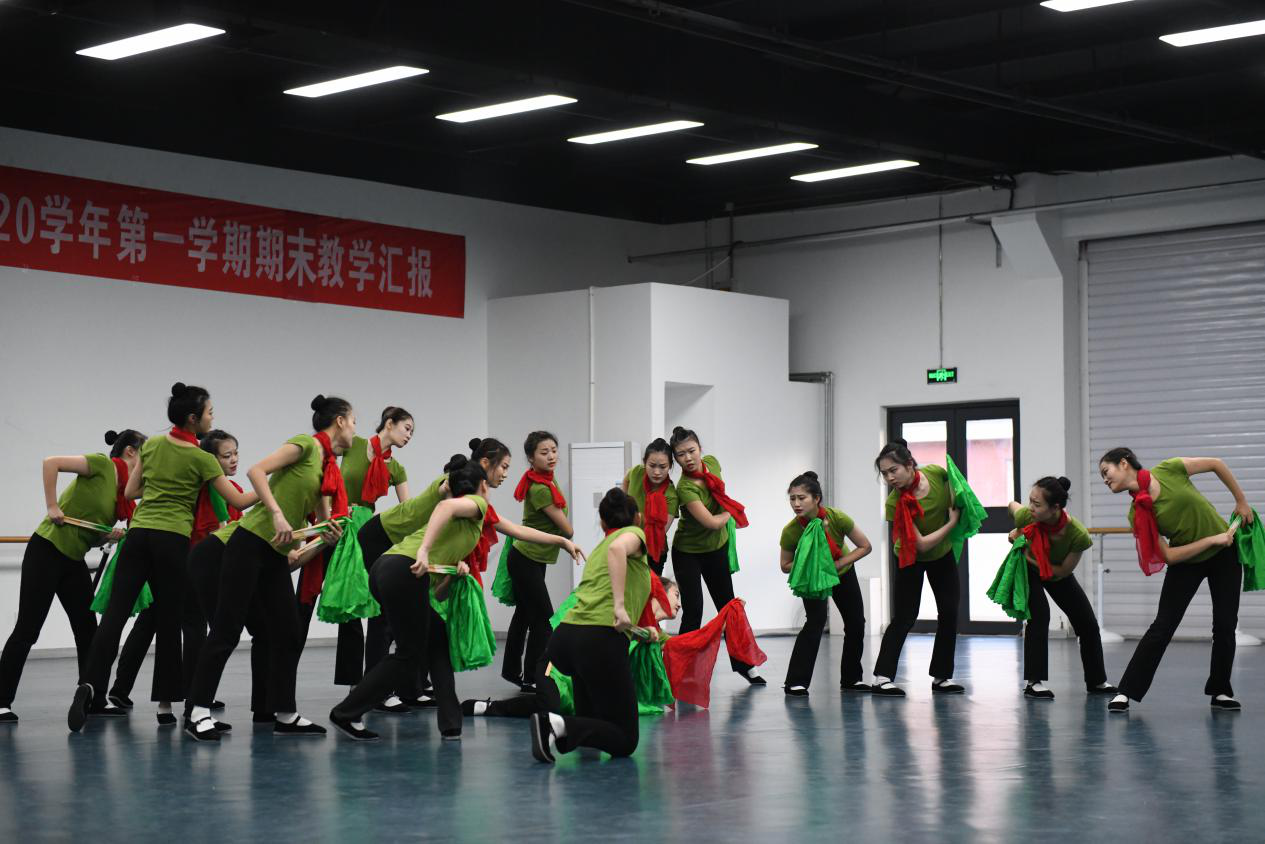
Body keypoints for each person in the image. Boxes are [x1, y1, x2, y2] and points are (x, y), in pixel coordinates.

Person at [69, 384, 254, 732]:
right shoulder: (201, 457)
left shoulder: (152, 444)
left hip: (138, 536)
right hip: (172, 540)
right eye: (210, 412)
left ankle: (90, 683)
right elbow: (239, 501)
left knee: (115, 616)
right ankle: (167, 706)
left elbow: (131, 491)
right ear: (193, 418)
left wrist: (159, 486)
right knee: (170, 623)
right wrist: (271, 488)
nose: (213, 417)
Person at [184, 395, 353, 741]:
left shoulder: (327, 468)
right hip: (249, 542)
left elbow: (322, 523)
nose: (354, 429)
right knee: (227, 630)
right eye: (353, 422)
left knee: (287, 631)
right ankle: (197, 711)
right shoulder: (305, 445)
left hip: (274, 552)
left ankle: (284, 713)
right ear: (339, 421)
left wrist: (329, 536)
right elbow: (256, 471)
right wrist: (276, 513)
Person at [0, 429, 142, 723]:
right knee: (28, 628)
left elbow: (89, 532)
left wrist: (107, 536)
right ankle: (1, 701)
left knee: (88, 630)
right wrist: (52, 505)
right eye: (145, 456)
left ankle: (94, 698)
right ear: (130, 451)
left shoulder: (123, 493)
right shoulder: (102, 464)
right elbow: (51, 462)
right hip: (47, 550)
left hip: (73, 558)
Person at [1098, 448, 1251, 713]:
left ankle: (1221, 691)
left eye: (1105, 471)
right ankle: (1126, 692)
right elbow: (1168, 555)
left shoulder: (1170, 469)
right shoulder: (1137, 512)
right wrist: (1212, 540)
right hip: (1187, 560)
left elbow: (1216, 463)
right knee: (1163, 626)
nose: (1104, 479)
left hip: (1225, 556)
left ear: (1123, 463)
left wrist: (1241, 501)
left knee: (1225, 624)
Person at [529, 488, 653, 763]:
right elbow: (619, 549)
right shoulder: (631, 535)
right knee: (626, 740)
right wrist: (619, 607)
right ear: (637, 517)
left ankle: (563, 728)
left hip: (566, 638)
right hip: (598, 640)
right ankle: (556, 725)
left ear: (602, 522)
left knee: (592, 719)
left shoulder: (599, 549)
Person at [1006, 476, 1117, 700]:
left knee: (1087, 623)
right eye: (1030, 501)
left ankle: (1097, 681)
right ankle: (1034, 682)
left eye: (1037, 504)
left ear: (1055, 508)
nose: (1031, 507)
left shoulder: (1077, 534)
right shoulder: (1028, 515)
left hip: (1056, 573)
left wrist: (1029, 554)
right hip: (1029, 571)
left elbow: (1064, 570)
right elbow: (1012, 506)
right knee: (1039, 616)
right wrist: (1017, 531)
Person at [669, 425, 762, 684]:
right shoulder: (685, 488)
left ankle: (745, 665)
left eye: (691, 451)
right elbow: (711, 522)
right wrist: (731, 511)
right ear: (675, 459)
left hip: (716, 549)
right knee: (693, 611)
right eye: (680, 455)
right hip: (688, 552)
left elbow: (718, 505)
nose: (688, 458)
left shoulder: (712, 463)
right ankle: (681, 669)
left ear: (700, 449)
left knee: (729, 608)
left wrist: (727, 511)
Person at [871, 438, 963, 697]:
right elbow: (920, 545)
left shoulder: (935, 474)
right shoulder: (895, 502)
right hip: (910, 557)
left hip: (942, 554)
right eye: (884, 473)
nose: (889, 478)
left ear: (910, 464)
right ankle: (882, 678)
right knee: (905, 617)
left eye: (893, 470)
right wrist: (952, 523)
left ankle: (941, 677)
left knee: (949, 613)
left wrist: (960, 511)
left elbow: (958, 490)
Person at [779, 471, 872, 696]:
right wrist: (810, 562)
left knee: (856, 622)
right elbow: (785, 565)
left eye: (802, 498)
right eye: (792, 498)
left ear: (816, 498)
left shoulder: (836, 518)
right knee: (815, 622)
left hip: (842, 571)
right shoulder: (791, 530)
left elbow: (865, 546)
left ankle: (852, 678)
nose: (796, 504)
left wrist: (838, 564)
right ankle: (795, 682)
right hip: (813, 577)